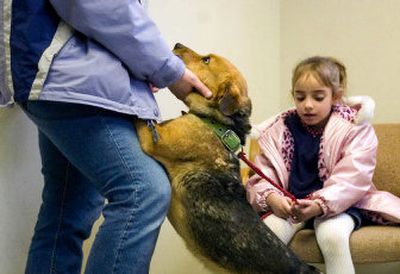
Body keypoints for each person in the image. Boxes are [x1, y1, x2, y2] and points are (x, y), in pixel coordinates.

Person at [1, 1, 212, 274]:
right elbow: (103, 5)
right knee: (143, 190)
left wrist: (140, 66)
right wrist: (169, 70)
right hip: (67, 78)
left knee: (68, 209)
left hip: (55, 76)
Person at [246, 56, 400, 274]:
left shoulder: (354, 128)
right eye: (300, 97)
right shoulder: (279, 130)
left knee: (332, 236)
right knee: (268, 234)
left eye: (318, 97)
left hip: (340, 205)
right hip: (291, 206)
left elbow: (354, 178)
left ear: (335, 96)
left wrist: (320, 205)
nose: (308, 105)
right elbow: (262, 174)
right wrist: (272, 198)